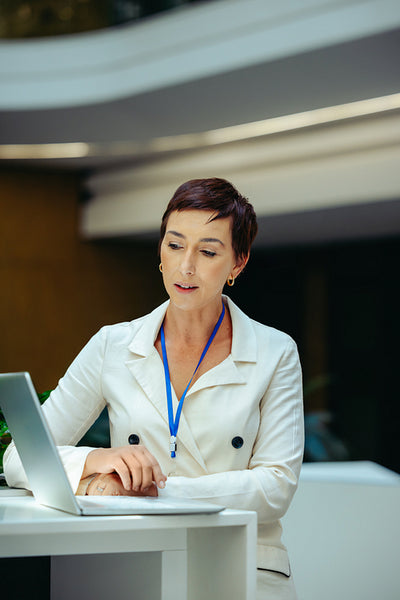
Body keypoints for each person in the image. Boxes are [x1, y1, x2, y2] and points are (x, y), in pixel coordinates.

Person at [4, 177, 304, 599]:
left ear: (237, 263)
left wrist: (154, 491)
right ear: (160, 253)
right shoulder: (113, 344)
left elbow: (275, 488)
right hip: (135, 555)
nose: (186, 266)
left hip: (241, 562)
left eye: (208, 252)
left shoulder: (275, 351)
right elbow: (20, 457)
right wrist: (97, 464)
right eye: (175, 245)